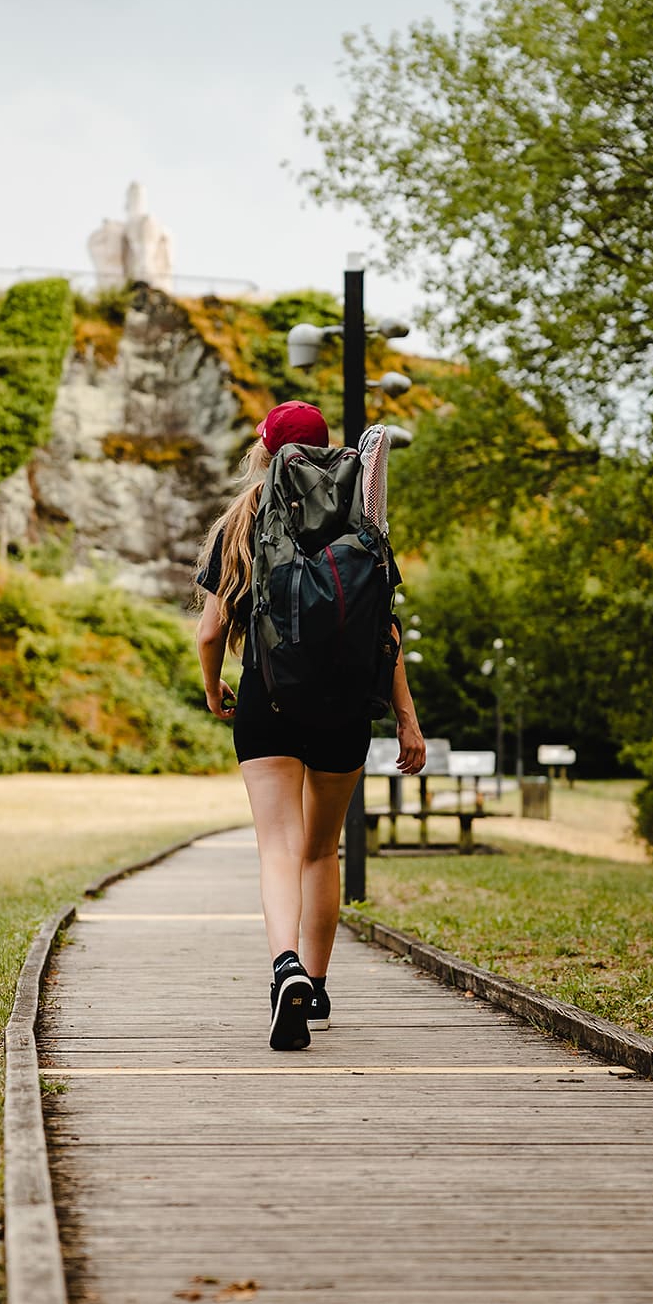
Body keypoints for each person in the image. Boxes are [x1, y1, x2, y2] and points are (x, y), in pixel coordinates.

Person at [194, 400, 426, 1051]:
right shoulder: (362, 518)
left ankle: (283, 968)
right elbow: (386, 633)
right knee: (322, 850)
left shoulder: (239, 520)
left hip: (267, 699)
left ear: (264, 453)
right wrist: (406, 722)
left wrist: (215, 689)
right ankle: (317, 987)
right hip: (346, 706)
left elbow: (211, 629)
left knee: (277, 846)